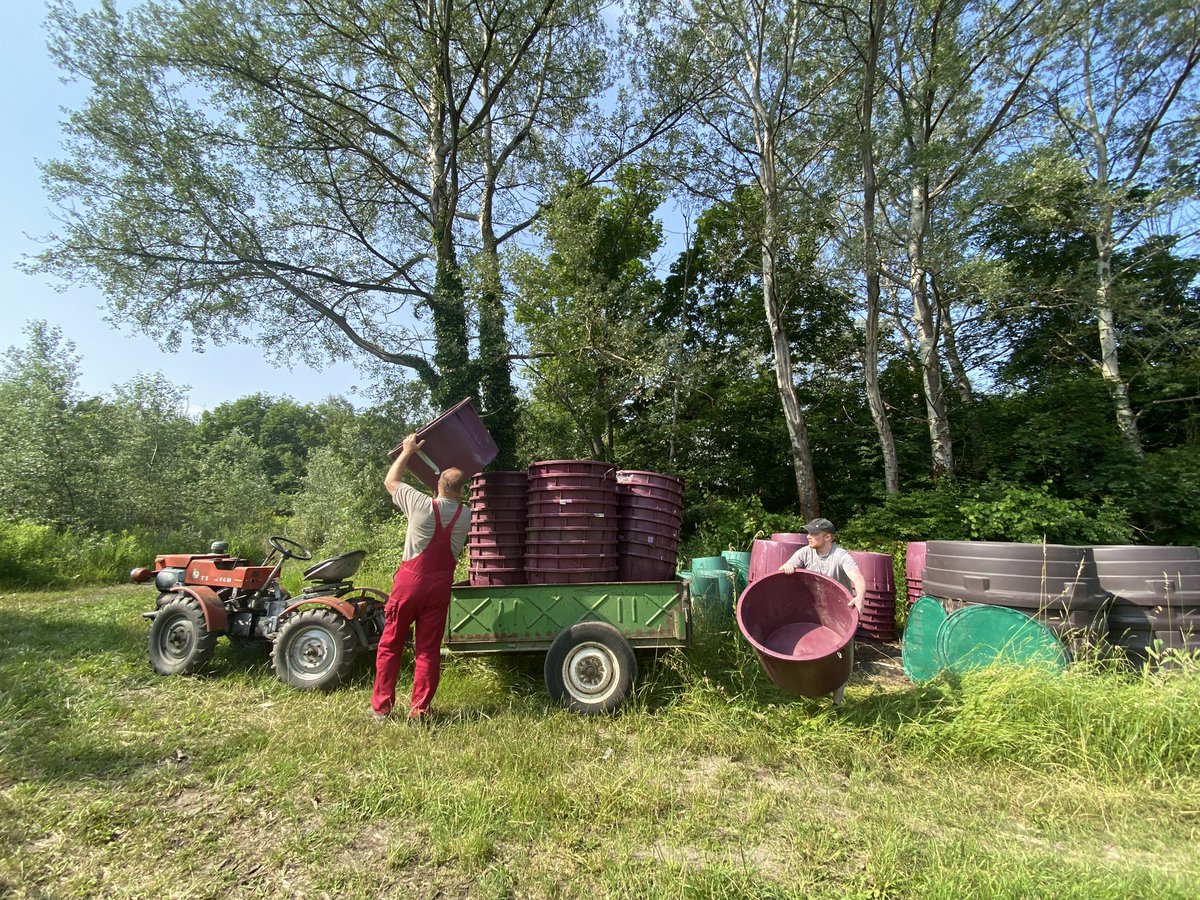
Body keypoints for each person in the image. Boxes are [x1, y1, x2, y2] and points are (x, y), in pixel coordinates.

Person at [371, 434, 472, 723]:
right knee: (428, 651)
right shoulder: (465, 515)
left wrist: (407, 452)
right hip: (439, 588)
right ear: (461, 491)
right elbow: (449, 497)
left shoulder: (421, 505)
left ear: (437, 485)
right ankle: (420, 711)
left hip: (410, 585)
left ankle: (382, 708)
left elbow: (391, 481)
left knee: (390, 644)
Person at [778, 517, 866, 706]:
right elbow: (784, 569)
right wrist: (787, 567)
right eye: (808, 533)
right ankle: (807, 689)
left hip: (839, 614)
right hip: (812, 611)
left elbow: (857, 577)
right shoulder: (805, 552)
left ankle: (837, 704)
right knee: (810, 651)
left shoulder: (841, 556)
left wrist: (860, 596)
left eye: (813, 534)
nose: (808, 537)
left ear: (828, 537)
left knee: (840, 658)